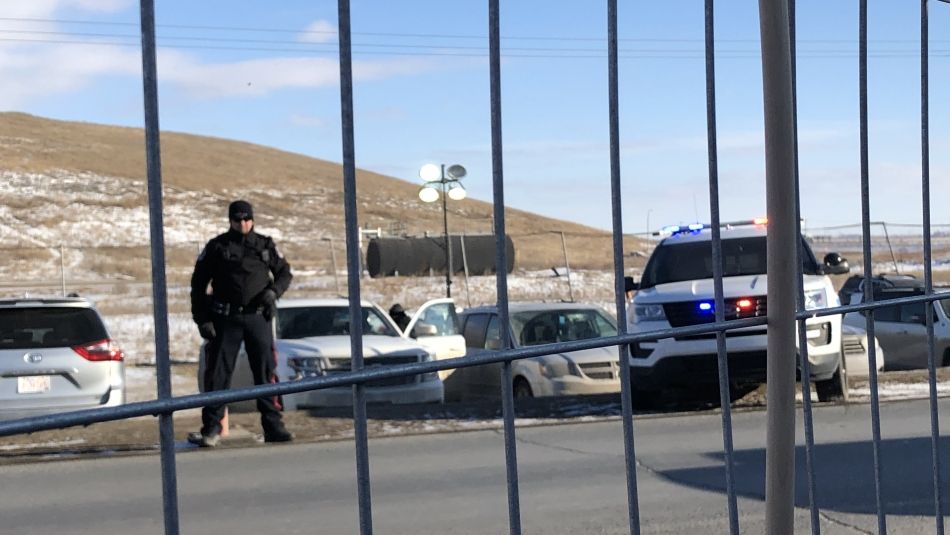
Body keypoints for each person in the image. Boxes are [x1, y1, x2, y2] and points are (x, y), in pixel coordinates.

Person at [188, 200, 294, 448]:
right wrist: (202, 319)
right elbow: (198, 285)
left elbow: (285, 273)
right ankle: (212, 428)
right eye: (238, 220)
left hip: (258, 318)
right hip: (225, 320)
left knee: (266, 373)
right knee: (218, 376)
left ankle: (273, 426)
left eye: (247, 219)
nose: (243, 224)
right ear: (230, 221)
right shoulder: (218, 247)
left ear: (253, 219)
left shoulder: (264, 245)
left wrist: (274, 292)